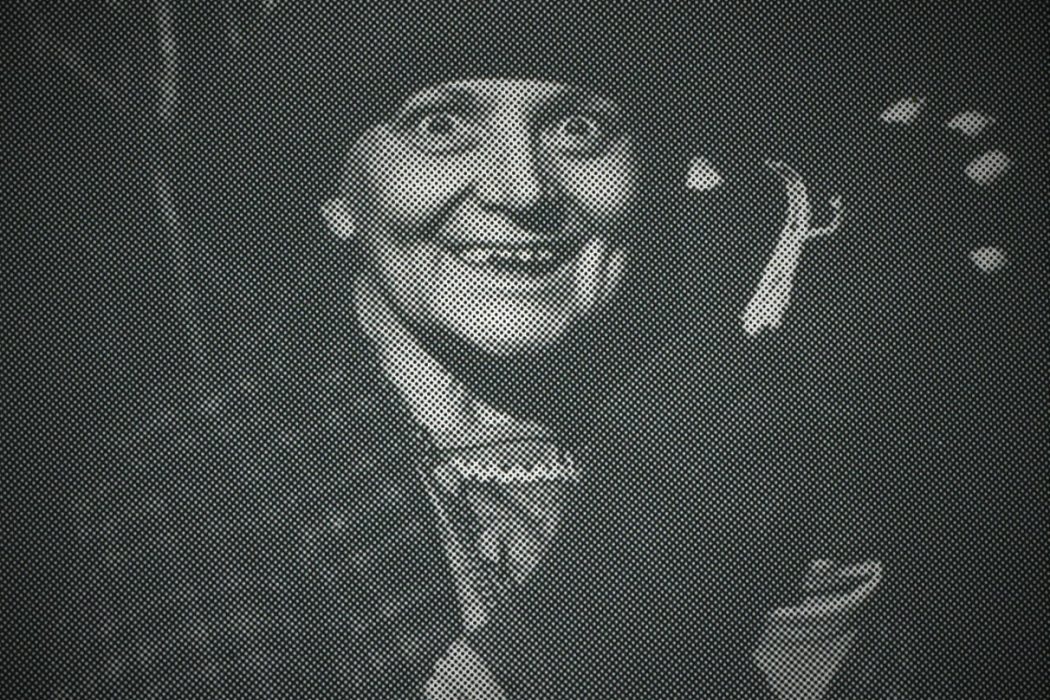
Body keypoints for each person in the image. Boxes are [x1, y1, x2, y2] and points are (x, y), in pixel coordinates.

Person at [12, 4, 1044, 698]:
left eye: (580, 128)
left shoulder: (720, 423)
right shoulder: (206, 478)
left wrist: (824, 494)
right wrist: (610, 600)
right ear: (337, 195)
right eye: (441, 125)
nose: (522, 188)